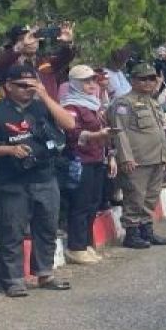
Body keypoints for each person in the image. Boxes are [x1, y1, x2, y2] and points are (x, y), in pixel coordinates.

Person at [0, 65, 77, 296]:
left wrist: (45, 95)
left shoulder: (42, 107)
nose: (28, 89)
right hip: (12, 181)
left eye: (31, 84)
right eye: (22, 85)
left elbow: (69, 124)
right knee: (12, 230)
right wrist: (8, 149)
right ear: (8, 86)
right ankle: (14, 280)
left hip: (45, 177)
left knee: (46, 228)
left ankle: (45, 273)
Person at [108, 62, 166, 250]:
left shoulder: (152, 102)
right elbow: (119, 131)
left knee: (151, 196)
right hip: (137, 159)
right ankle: (131, 233)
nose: (148, 82)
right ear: (133, 80)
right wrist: (126, 157)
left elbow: (160, 132)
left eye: (152, 78)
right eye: (142, 79)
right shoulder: (124, 103)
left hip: (156, 157)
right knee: (135, 197)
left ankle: (147, 230)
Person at [61, 65, 116, 266]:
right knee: (80, 205)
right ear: (74, 84)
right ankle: (76, 248)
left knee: (93, 204)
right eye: (86, 81)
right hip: (80, 161)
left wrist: (110, 155)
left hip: (96, 160)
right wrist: (96, 136)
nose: (91, 84)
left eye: (93, 80)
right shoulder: (70, 107)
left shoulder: (94, 104)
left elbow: (104, 133)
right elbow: (72, 135)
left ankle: (86, 244)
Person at [0, 23, 76, 99]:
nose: (32, 41)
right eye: (23, 38)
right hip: (18, 110)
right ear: (15, 43)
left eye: (34, 37)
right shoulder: (9, 62)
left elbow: (64, 58)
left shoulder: (44, 61)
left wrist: (67, 43)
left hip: (46, 110)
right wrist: (21, 46)